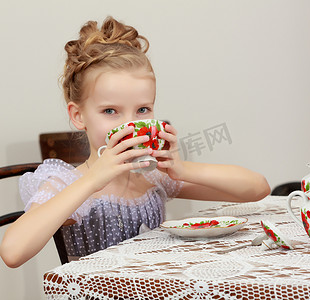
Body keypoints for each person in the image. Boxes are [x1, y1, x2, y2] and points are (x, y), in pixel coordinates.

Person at [0, 16, 270, 268]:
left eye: (142, 110)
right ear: (78, 115)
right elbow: (12, 252)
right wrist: (94, 179)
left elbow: (257, 189)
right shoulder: (67, 182)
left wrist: (183, 169)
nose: (128, 125)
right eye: (110, 111)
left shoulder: (152, 177)